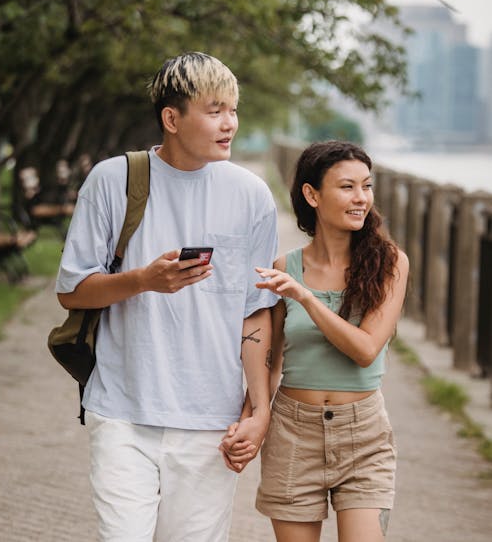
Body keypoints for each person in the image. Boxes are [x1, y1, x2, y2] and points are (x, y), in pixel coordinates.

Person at [55, 52, 278, 542]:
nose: (229, 123)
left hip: (210, 421)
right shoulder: (114, 181)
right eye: (215, 109)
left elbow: (255, 312)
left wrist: (258, 411)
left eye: (233, 110)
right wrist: (142, 281)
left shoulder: (252, 195)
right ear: (171, 118)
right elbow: (72, 291)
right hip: (122, 411)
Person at [253, 140, 409, 542]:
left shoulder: (390, 263)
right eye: (347, 187)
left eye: (367, 186)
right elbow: (270, 361)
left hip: (364, 436)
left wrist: (304, 297)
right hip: (292, 433)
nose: (361, 198)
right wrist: (254, 417)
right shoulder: (285, 268)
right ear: (312, 194)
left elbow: (365, 350)